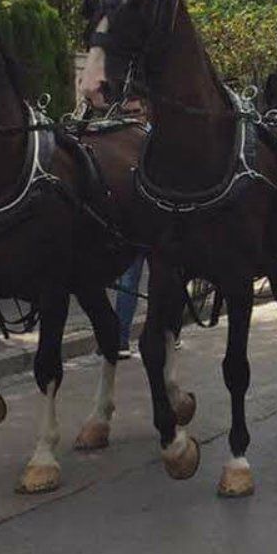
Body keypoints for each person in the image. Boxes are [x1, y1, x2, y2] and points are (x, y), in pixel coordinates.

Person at [114, 94, 149, 357]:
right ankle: (121, 339)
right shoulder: (117, 144)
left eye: (135, 112)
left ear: (145, 112)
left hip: (159, 225)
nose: (132, 118)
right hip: (132, 225)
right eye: (127, 113)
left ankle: (170, 332)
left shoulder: (155, 137)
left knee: (168, 281)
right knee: (128, 282)